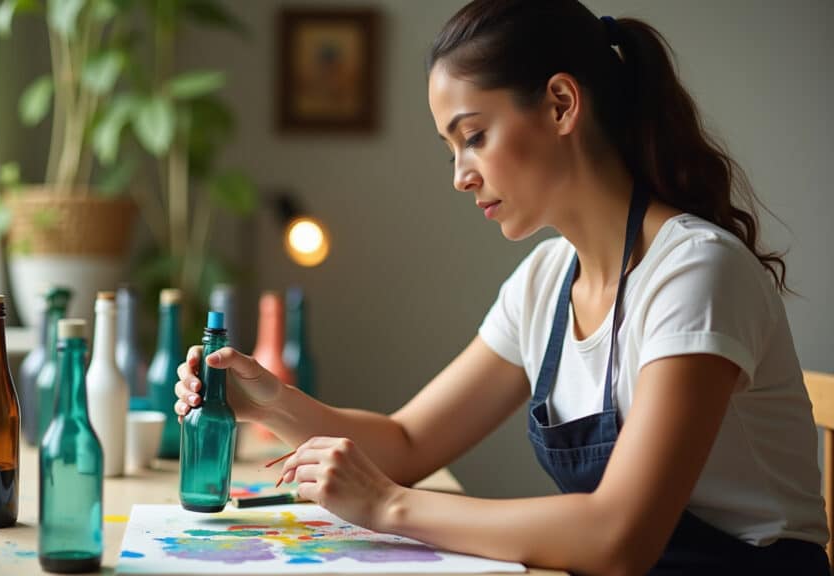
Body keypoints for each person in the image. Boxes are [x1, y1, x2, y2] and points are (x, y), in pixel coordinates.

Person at [174, 0, 829, 573]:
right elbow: (407, 443)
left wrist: (389, 505)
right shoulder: (546, 280)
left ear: (561, 104)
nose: (461, 175)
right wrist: (267, 403)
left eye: (475, 137)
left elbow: (619, 538)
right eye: (452, 148)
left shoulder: (692, 272)